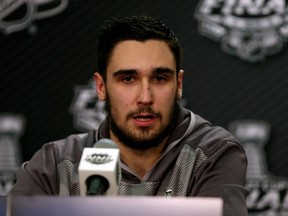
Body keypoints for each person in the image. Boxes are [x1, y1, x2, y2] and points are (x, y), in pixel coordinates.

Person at [11, 15, 248, 215]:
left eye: (159, 78)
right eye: (128, 79)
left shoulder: (213, 154)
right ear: (101, 87)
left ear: (178, 84)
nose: (145, 97)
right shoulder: (54, 163)